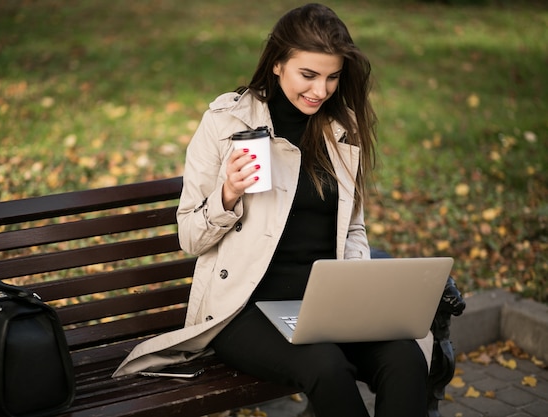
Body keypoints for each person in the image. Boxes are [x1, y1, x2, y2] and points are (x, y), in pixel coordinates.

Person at [114, 4, 429, 416]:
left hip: (324, 307)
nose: (321, 90)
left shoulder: (342, 129)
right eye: (309, 75)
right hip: (245, 310)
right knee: (326, 365)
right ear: (278, 63)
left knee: (405, 358)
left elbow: (353, 228)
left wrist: (355, 294)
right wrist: (227, 194)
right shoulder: (226, 123)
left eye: (333, 77)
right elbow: (190, 238)